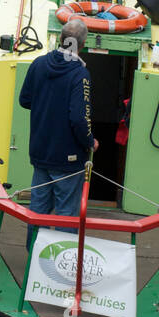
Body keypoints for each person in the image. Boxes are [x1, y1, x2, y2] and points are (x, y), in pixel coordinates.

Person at [18, 17, 98, 247]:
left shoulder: (38, 64)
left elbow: (25, 100)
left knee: (38, 210)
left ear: (61, 39)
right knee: (66, 215)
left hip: (40, 153)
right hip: (67, 159)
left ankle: (33, 256)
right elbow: (79, 118)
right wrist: (90, 142)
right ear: (81, 45)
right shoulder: (79, 75)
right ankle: (61, 265)